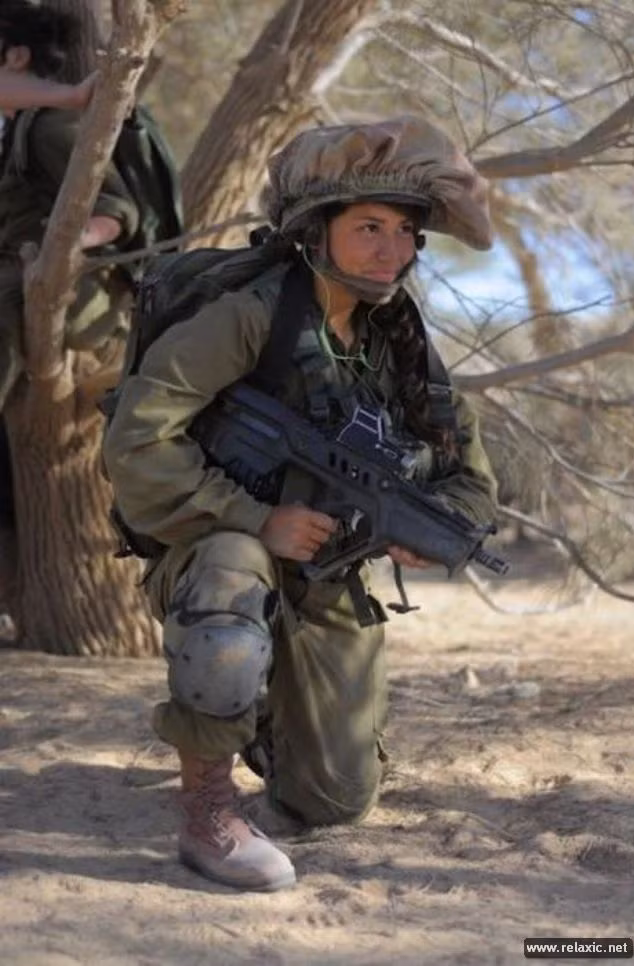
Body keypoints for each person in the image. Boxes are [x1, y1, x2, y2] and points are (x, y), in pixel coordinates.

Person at [102, 115, 499, 893]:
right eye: (370, 227)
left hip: (323, 568)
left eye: (406, 232)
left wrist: (420, 527)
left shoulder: (399, 342)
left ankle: (265, 726)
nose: (392, 249)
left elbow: (471, 479)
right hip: (210, 545)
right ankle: (207, 811)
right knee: (232, 572)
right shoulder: (250, 316)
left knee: (335, 800)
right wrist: (256, 519)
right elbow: (138, 437)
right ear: (316, 231)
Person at [0, 1, 144, 621]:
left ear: (16, 56)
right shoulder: (19, 129)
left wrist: (62, 249)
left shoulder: (48, 127)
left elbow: (118, 211)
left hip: (74, 299)